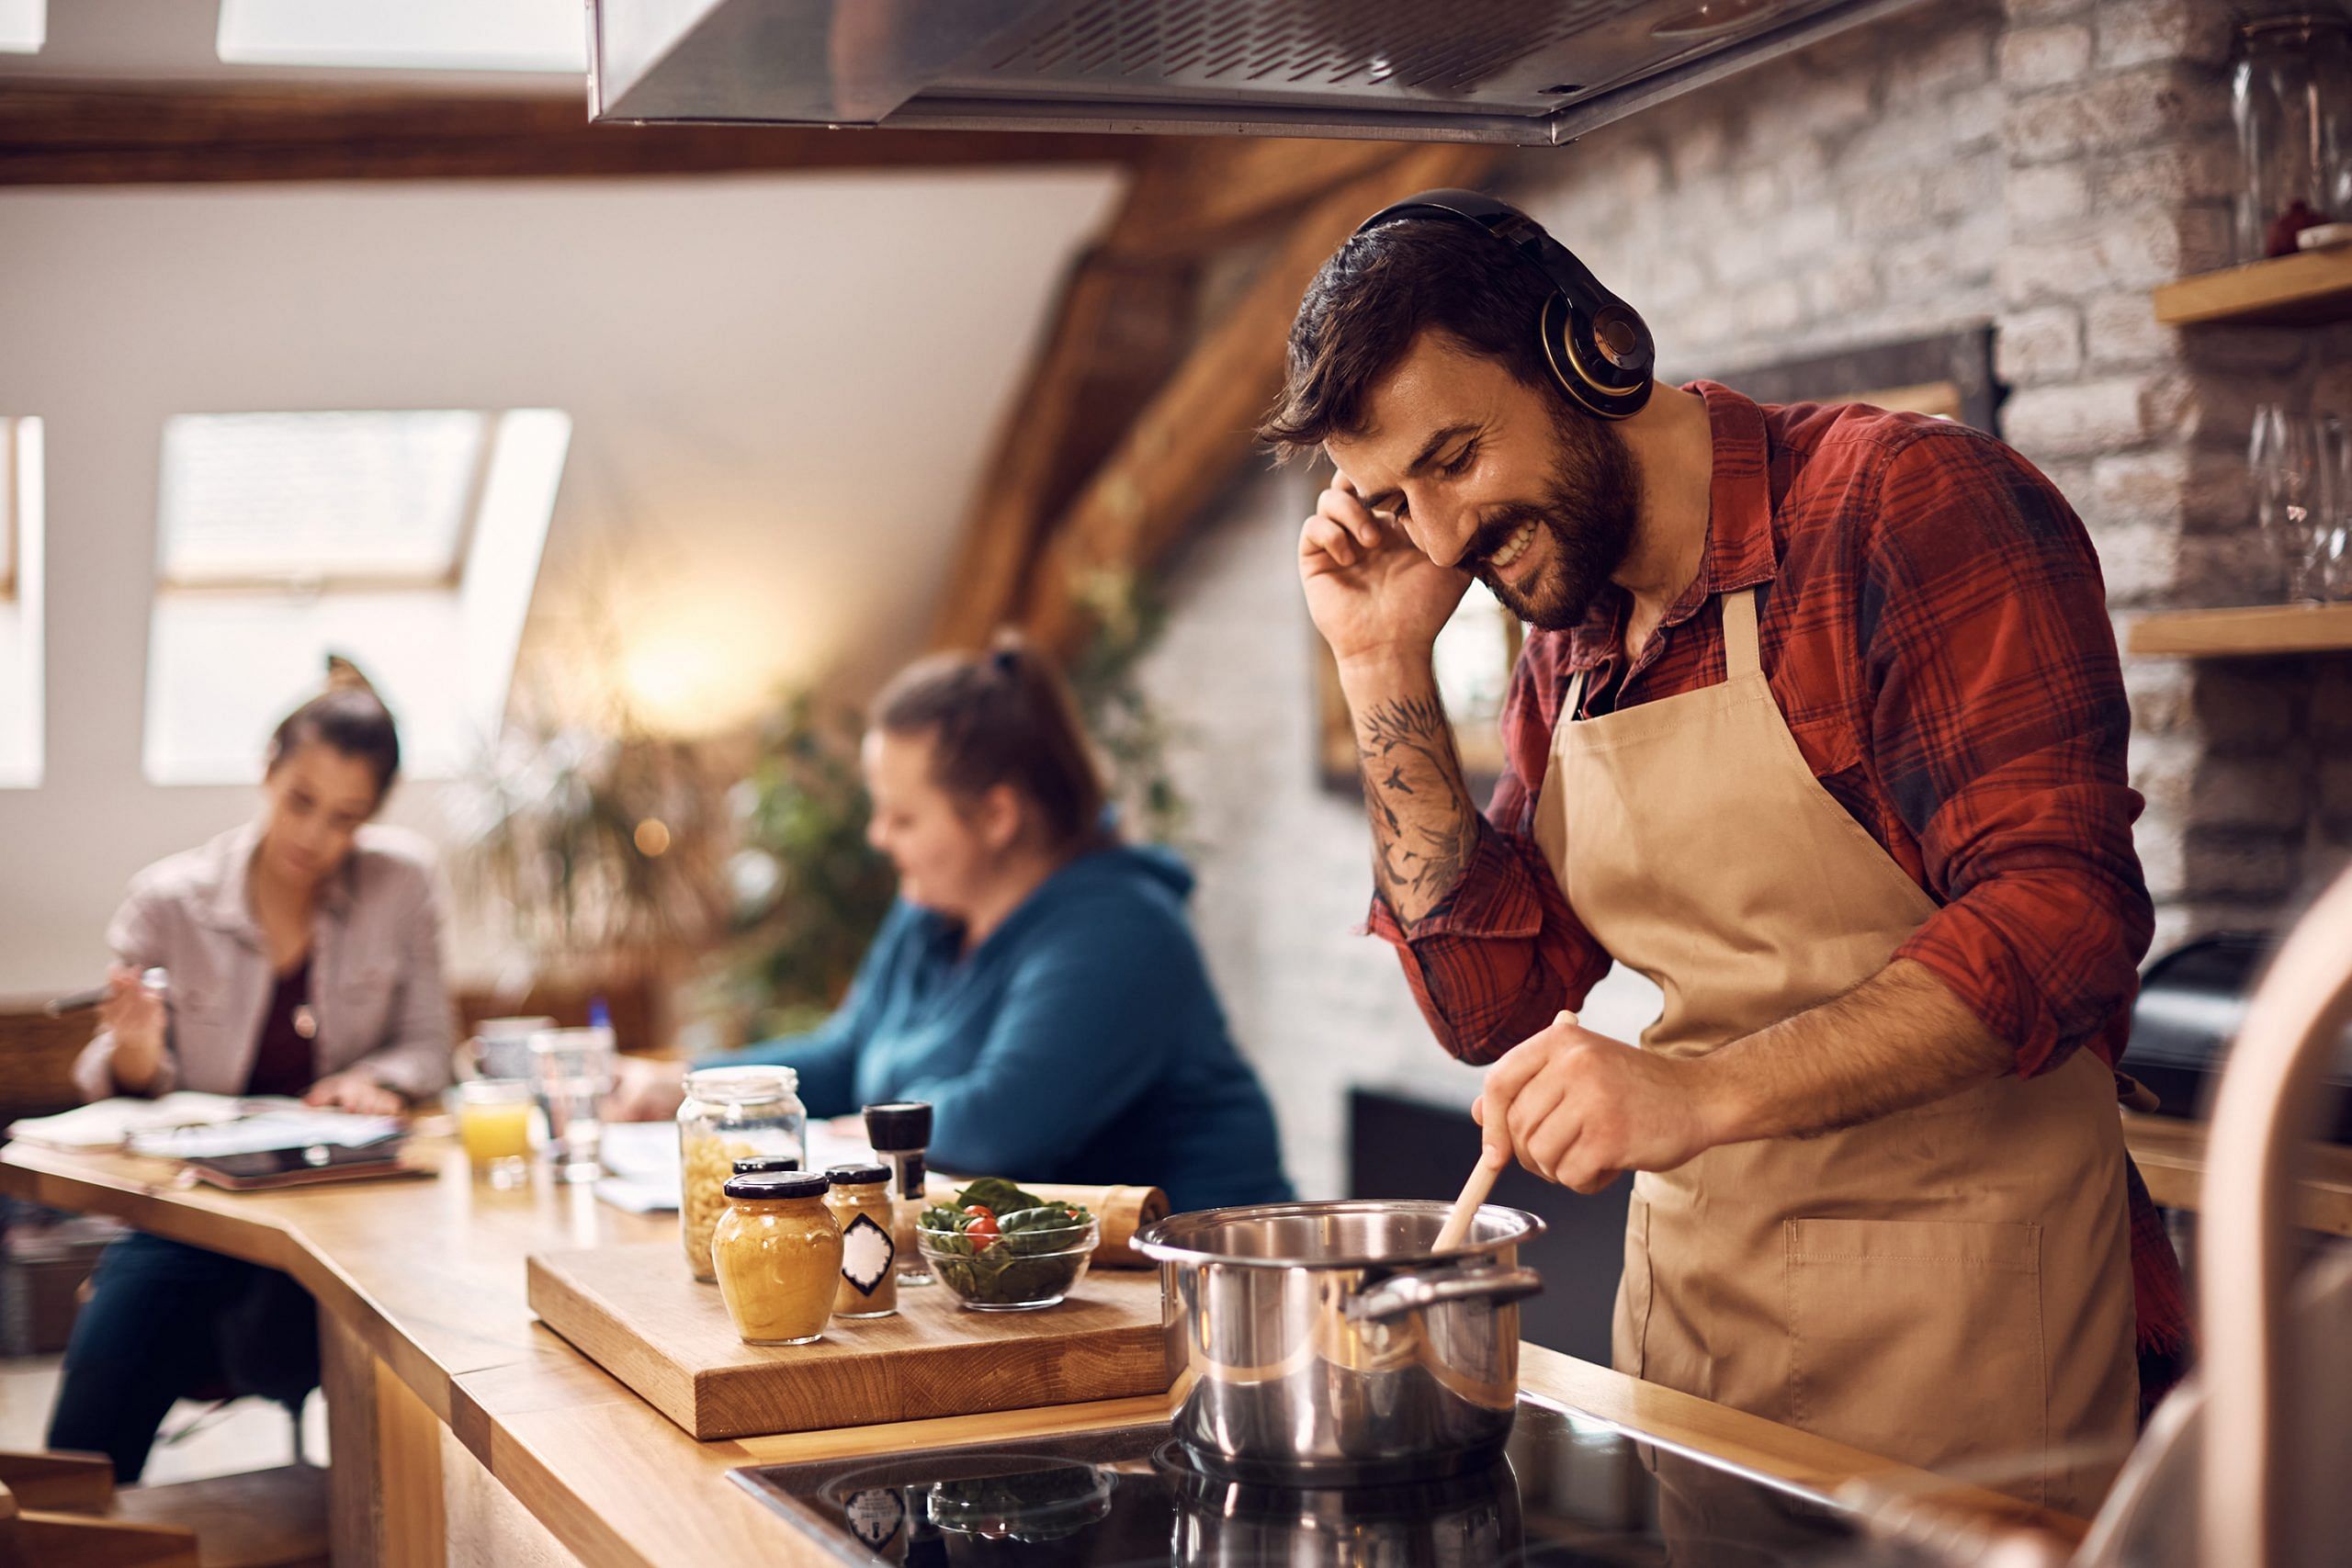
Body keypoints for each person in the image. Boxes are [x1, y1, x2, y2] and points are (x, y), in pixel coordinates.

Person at [1271, 188, 2186, 1516]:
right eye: (1401, 497)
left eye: (1457, 456)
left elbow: (2064, 917)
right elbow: (1493, 1001)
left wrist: (1698, 1095)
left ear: (1593, 349)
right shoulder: (1567, 644)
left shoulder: (1902, 508)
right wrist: (1377, 663)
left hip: (1978, 1349)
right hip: (1704, 1350)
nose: (1449, 535)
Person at [612, 638, 1292, 1215]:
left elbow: (1000, 1127)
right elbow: (848, 1055)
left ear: (997, 816)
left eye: (903, 818)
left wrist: (859, 1133)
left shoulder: (1122, 929)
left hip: (1189, 1300)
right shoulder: (931, 907)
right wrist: (694, 1084)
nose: (879, 837)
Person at [51, 657, 454, 1479]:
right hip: (201, 1211)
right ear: (267, 768)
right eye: (301, 801)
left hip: (354, 1209)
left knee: (421, 1333)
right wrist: (136, 1047)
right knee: (96, 1416)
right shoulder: (169, 899)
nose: (315, 836)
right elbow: (110, 1081)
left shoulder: (402, 883)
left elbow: (428, 1044)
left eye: (346, 818)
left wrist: (376, 1080)